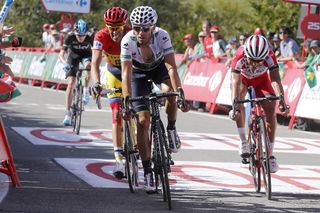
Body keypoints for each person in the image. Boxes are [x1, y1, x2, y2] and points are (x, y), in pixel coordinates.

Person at [120, 6, 189, 192]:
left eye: (145, 28)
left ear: (153, 27)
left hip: (160, 69)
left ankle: (171, 129)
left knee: (170, 94)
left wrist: (180, 92)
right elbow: (126, 73)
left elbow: (172, 68)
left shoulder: (162, 36)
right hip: (137, 75)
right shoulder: (127, 41)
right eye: (136, 28)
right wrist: (126, 99)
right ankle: (148, 171)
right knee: (143, 121)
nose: (140, 32)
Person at [229, 35, 289, 173]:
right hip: (243, 80)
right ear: (246, 55)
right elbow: (235, 83)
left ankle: (270, 154)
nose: (255, 64)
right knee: (238, 102)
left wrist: (281, 99)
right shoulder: (239, 55)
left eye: (259, 61)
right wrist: (234, 104)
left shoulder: (270, 56)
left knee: (270, 109)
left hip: (262, 81)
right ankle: (244, 141)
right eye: (252, 60)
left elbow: (275, 80)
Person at [91, 7, 130, 179]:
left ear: (125, 25)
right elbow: (94, 62)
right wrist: (97, 83)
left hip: (133, 72)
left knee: (143, 113)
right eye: (110, 28)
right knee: (116, 113)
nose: (114, 32)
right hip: (114, 72)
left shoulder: (132, 33)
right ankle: (118, 159)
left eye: (118, 27)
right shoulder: (101, 36)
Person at [59, 19, 94, 126]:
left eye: (83, 35)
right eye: (79, 35)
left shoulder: (91, 36)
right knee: (71, 83)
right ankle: (67, 113)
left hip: (86, 56)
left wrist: (94, 63)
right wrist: (64, 63)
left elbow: (97, 52)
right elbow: (61, 54)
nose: (81, 38)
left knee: (88, 66)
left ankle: (86, 91)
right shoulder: (70, 36)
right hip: (73, 57)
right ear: (75, 32)